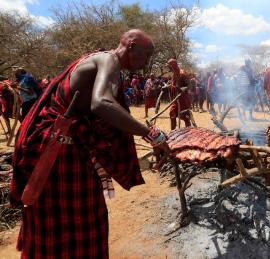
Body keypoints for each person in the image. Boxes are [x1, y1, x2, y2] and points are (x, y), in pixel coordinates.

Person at [10, 29, 170, 258]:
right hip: (61, 153)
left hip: (56, 147)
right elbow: (101, 103)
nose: (146, 62)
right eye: (146, 55)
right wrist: (152, 134)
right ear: (132, 46)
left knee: (55, 221)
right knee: (83, 221)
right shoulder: (108, 60)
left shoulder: (101, 60)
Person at [167, 58, 192, 130]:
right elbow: (173, 85)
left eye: (170, 66)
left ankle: (189, 132)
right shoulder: (174, 74)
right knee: (172, 114)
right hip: (176, 99)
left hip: (183, 99)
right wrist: (168, 86)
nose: (169, 68)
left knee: (186, 117)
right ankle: (173, 132)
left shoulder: (183, 73)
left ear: (174, 66)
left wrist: (183, 89)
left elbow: (189, 86)